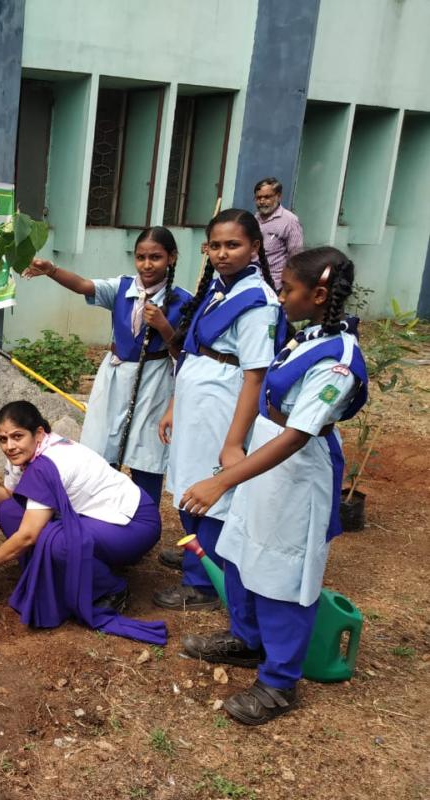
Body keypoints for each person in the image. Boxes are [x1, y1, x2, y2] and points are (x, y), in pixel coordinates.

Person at [179, 248, 366, 725]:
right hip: (265, 461)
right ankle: (246, 639)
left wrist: (222, 482)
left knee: (284, 574)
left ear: (319, 294)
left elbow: (296, 437)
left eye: (287, 289)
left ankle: (280, 682)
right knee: (242, 551)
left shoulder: (339, 361)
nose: (280, 297)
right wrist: (235, 447)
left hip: (297, 472)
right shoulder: (308, 336)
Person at [154, 208, 286, 611]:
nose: (223, 253)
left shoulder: (257, 302)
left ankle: (204, 580)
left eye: (234, 245)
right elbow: (192, 351)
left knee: (211, 486)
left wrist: (233, 441)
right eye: (216, 245)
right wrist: (175, 405)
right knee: (188, 476)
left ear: (255, 247)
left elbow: (255, 374)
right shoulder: (218, 289)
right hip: (197, 399)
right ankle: (197, 549)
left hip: (222, 403)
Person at [0, 401, 167, 644]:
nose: (10, 446)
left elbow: (28, 535)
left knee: (57, 542)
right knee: (9, 511)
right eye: (3, 439)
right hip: (97, 518)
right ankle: (57, 573)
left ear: (38, 433)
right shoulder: (28, 454)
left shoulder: (48, 462)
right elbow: (9, 496)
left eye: (17, 436)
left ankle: (110, 589)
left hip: (134, 523)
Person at [23, 227, 192, 506]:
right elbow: (84, 285)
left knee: (147, 450)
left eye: (156, 257)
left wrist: (163, 325)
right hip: (115, 374)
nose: (147, 265)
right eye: (141, 257)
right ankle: (101, 511)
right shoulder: (122, 287)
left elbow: (182, 351)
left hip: (154, 378)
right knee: (102, 446)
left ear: (171, 258)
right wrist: (51, 270)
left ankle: (144, 518)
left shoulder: (183, 301)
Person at [254, 177, 304, 289]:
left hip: (274, 286)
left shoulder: (289, 221)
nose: (262, 201)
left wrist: (287, 287)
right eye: (258, 198)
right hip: (251, 282)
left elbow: (295, 258)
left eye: (267, 197)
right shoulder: (253, 219)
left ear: (278, 196)